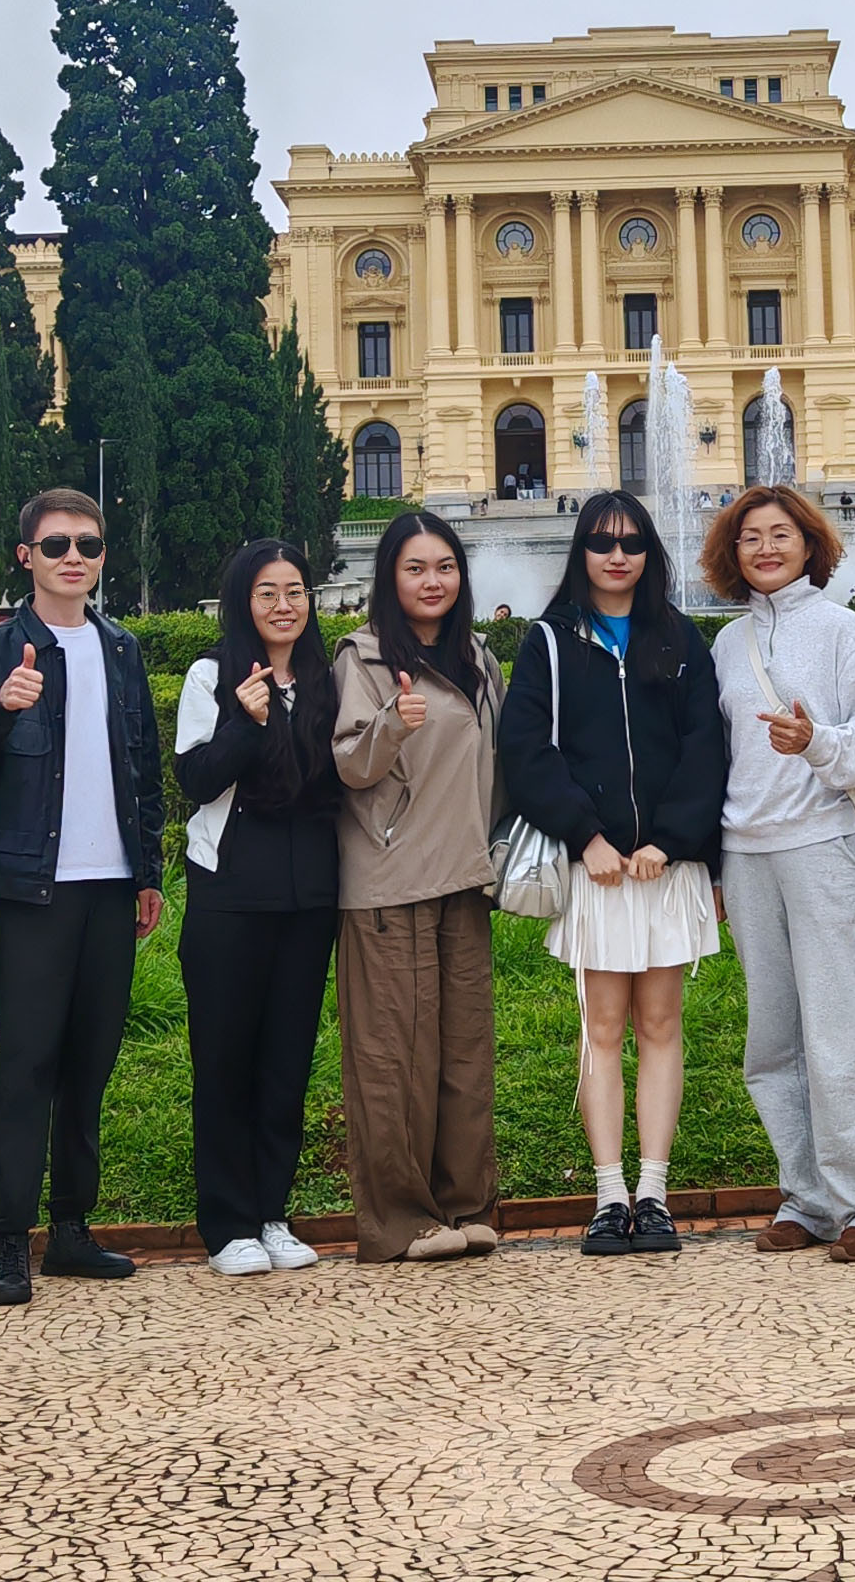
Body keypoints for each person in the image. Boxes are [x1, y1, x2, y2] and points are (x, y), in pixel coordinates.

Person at [0, 489, 168, 1307]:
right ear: (26, 558)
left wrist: (148, 872)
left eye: (89, 545)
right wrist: (0, 707)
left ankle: (72, 1229)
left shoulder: (121, 649)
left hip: (110, 888)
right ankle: (9, 1242)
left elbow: (142, 767)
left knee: (90, 1063)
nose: (74, 557)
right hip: (33, 890)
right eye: (57, 545)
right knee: (25, 1063)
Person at [498, 491, 729, 1257]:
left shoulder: (680, 639)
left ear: (649, 552)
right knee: (600, 1027)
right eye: (601, 542)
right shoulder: (551, 642)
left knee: (662, 1026)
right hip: (596, 870)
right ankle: (608, 1194)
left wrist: (671, 838)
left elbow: (706, 746)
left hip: (665, 866)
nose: (617, 555)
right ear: (582, 552)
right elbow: (527, 749)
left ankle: (654, 1191)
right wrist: (585, 835)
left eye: (630, 542)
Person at [701, 481, 855, 1260]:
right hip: (746, 853)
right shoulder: (726, 645)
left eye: (780, 533)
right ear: (732, 552)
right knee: (774, 1041)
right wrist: (713, 867)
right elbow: (716, 762)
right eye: (750, 536)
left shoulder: (843, 630)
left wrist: (815, 741)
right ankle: (808, 1198)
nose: (765, 547)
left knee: (841, 1031)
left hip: (822, 843)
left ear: (809, 542)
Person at [331, 510, 509, 1263]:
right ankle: (402, 1220)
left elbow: (498, 764)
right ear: (390, 579)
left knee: (465, 1054)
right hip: (387, 880)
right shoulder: (362, 659)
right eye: (415, 568)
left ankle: (467, 1205)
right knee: (391, 1058)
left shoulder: (478, 658)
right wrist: (394, 726)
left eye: (444, 567)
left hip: (464, 877)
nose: (432, 581)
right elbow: (348, 766)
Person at [173, 539, 341, 1279]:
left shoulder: (325, 680)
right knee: (225, 1057)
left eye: (296, 591)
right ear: (244, 600)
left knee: (286, 1059)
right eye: (268, 592)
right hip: (231, 892)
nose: (284, 605)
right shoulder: (213, 674)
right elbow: (195, 779)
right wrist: (245, 722)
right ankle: (228, 1222)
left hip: (308, 896)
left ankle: (272, 1211)